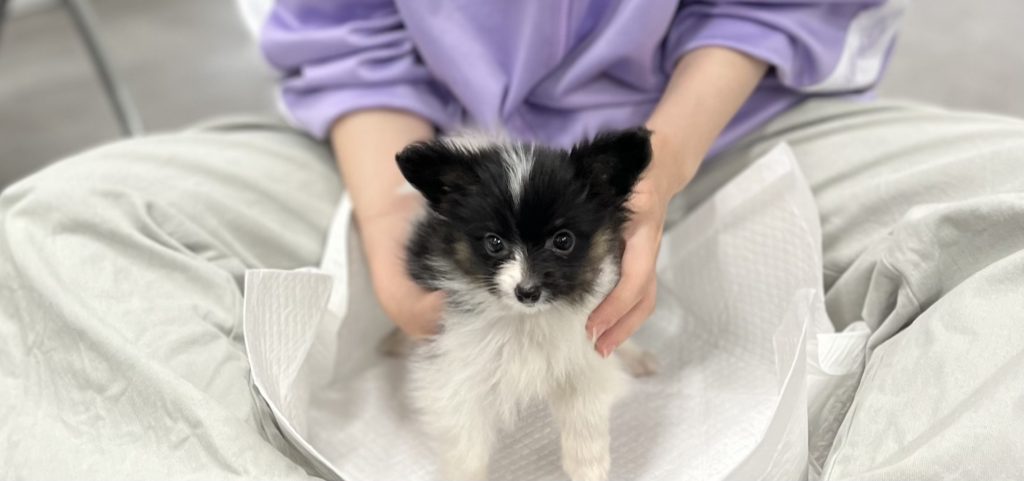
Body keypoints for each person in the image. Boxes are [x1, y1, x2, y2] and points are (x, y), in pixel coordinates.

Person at [1, 0, 1023, 479]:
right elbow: (341, 31)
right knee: (57, 236)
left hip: (729, 133)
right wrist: (392, 212)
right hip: (400, 144)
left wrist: (659, 166)